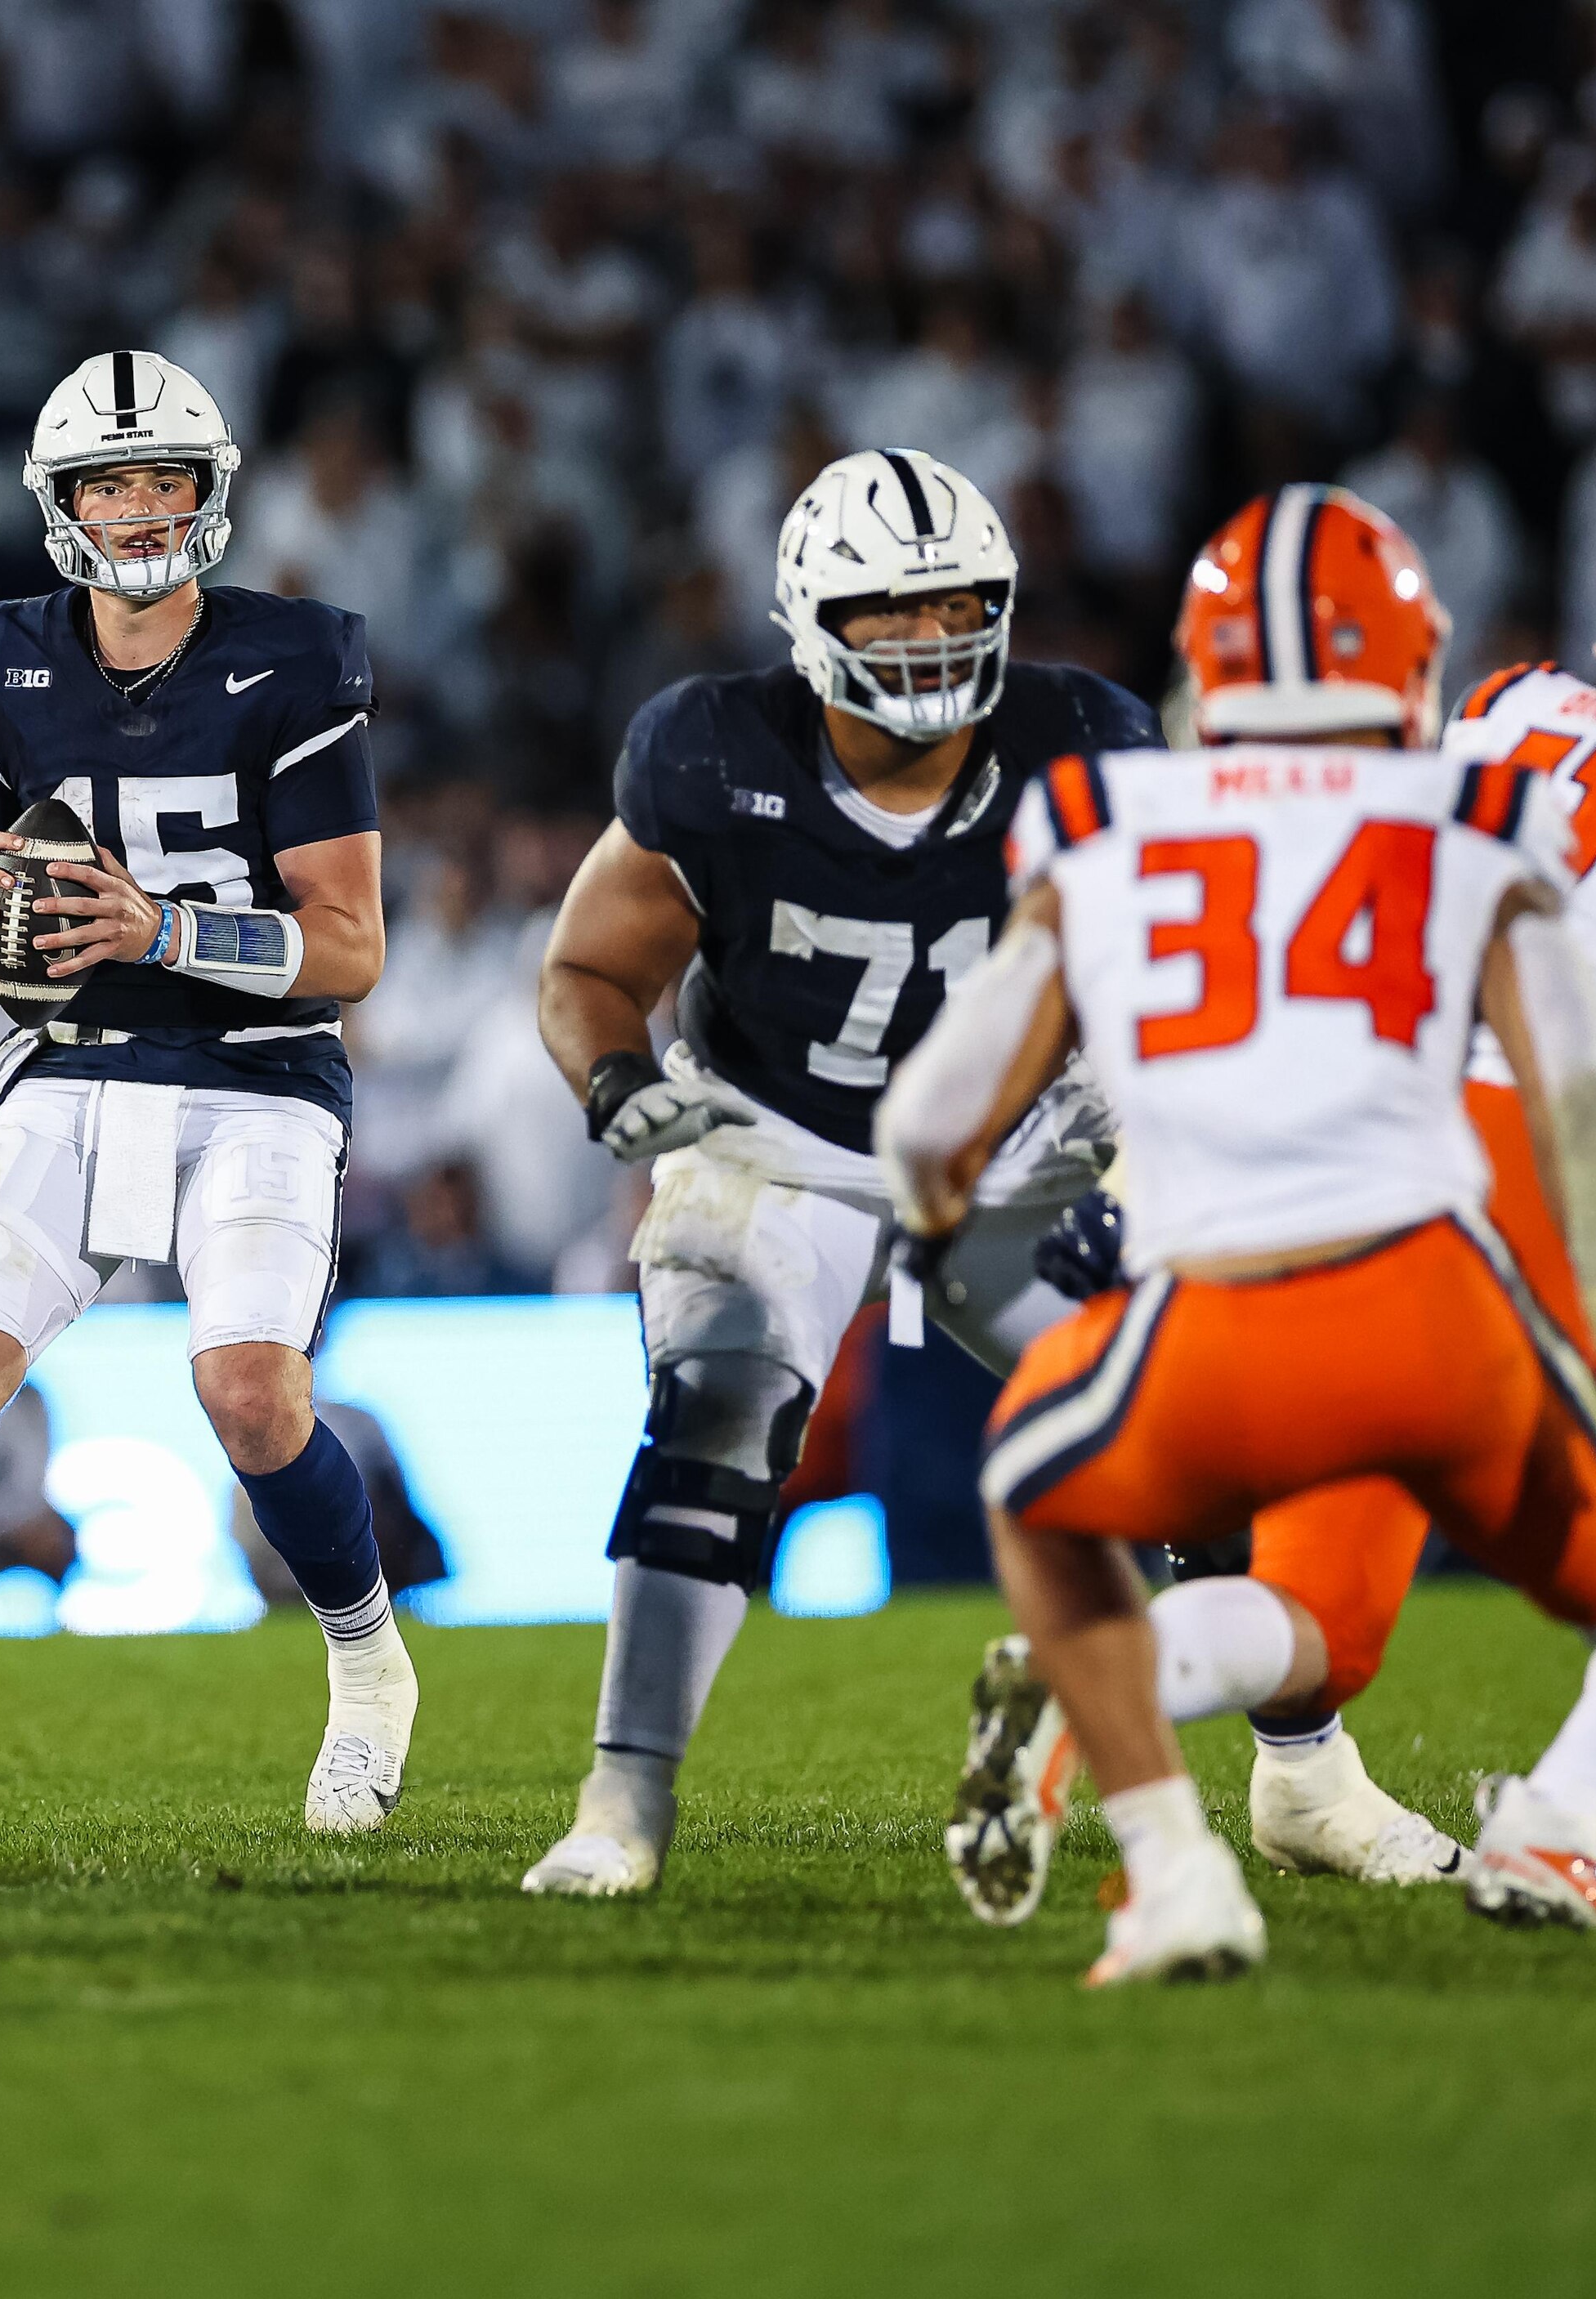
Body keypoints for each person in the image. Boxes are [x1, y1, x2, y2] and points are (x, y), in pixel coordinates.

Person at [888, 485, 1596, 1992]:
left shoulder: (1505, 712)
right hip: (1511, 1175)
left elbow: (1034, 1062)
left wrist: (1126, 1184)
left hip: (1309, 1175)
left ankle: (1113, 1685)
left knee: (1325, 1622)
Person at [516, 450, 1159, 1898]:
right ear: (814, 619)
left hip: (1012, 1138)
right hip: (775, 1136)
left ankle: (1316, 1778)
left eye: (960, 607)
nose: (933, 641)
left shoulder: (1086, 741)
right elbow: (589, 967)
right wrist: (615, 1078)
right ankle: (624, 1803)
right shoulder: (712, 752)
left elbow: (1168, 957)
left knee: (1185, 1422)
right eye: (893, 613)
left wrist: (1142, 1125)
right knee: (718, 1419)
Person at [0, 349, 402, 1842]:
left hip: (258, 1074)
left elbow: (350, 945)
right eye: (108, 482)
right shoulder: (0, 660)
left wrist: (162, 928)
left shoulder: (293, 657)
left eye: (163, 480)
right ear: (60, 501)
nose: (138, 508)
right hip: (70, 1066)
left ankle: (368, 1667)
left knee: (250, 1392)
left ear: (208, 496)